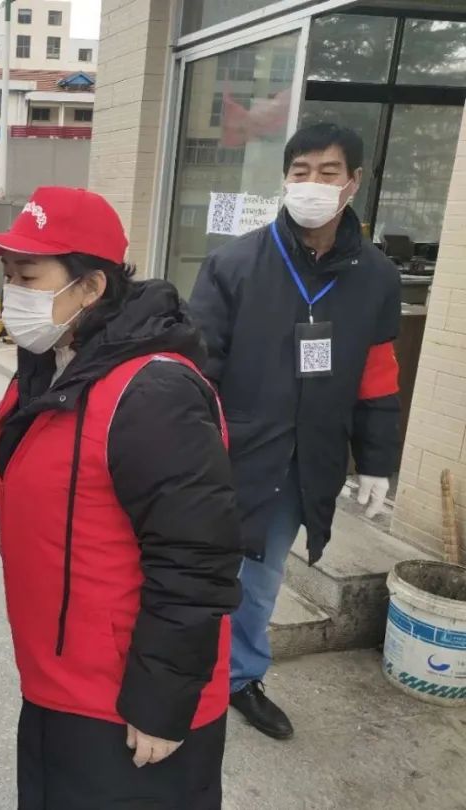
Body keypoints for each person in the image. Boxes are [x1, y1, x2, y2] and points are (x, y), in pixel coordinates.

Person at [0, 187, 241, 809]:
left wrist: (161, 703)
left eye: (28, 277)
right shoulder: (53, 364)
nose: (13, 293)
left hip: (125, 706)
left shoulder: (152, 393)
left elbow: (196, 558)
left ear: (91, 287)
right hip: (58, 682)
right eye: (9, 275)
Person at [189, 122, 401, 741]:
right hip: (226, 452)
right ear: (284, 179)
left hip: (303, 462)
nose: (312, 184)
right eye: (300, 172)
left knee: (260, 580)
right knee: (195, 568)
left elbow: (377, 378)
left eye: (328, 172)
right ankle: (179, 672)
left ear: (354, 182)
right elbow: (196, 369)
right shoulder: (235, 264)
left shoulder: (377, 277)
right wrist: (187, 449)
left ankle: (240, 678)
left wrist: (377, 461)